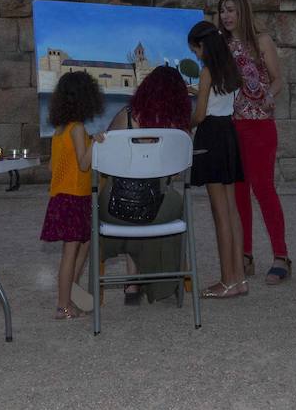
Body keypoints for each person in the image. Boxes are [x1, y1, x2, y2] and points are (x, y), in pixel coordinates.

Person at [99, 65, 193, 304]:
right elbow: (180, 170)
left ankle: (132, 283)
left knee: (130, 199)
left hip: (114, 209)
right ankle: (164, 280)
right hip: (158, 211)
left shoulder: (125, 116)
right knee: (169, 202)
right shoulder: (177, 129)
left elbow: (103, 160)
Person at [217, 0, 292, 284]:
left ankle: (281, 256)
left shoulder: (262, 42)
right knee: (238, 194)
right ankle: (245, 255)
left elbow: (277, 79)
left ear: (242, 12)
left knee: (263, 190)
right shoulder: (220, 46)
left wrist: (269, 97)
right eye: (222, 11)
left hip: (259, 124)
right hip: (230, 125)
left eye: (231, 10)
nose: (226, 16)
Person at [186, 20, 247, 298]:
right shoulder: (231, 69)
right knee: (232, 211)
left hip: (210, 135)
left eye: (195, 50)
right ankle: (239, 278)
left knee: (220, 214)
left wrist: (184, 123)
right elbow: (222, 101)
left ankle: (226, 281)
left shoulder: (207, 72)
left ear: (203, 46)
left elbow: (199, 115)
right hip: (228, 133)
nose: (195, 55)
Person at [40, 70, 105, 320]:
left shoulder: (59, 130)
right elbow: (83, 164)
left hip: (61, 196)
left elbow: (51, 167)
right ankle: (62, 304)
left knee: (86, 241)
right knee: (70, 252)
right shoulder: (78, 129)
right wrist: (95, 143)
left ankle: (71, 292)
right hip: (75, 197)